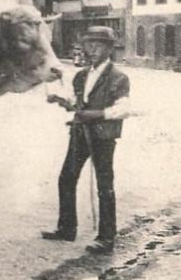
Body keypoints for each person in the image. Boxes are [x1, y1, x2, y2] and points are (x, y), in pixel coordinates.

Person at [42, 26, 130, 255]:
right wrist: (61, 99)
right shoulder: (81, 75)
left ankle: (106, 238)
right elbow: (77, 101)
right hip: (80, 133)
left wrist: (97, 115)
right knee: (66, 178)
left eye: (98, 45)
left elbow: (123, 109)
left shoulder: (118, 77)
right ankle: (67, 228)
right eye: (89, 44)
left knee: (104, 186)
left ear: (109, 49)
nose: (92, 49)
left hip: (102, 136)